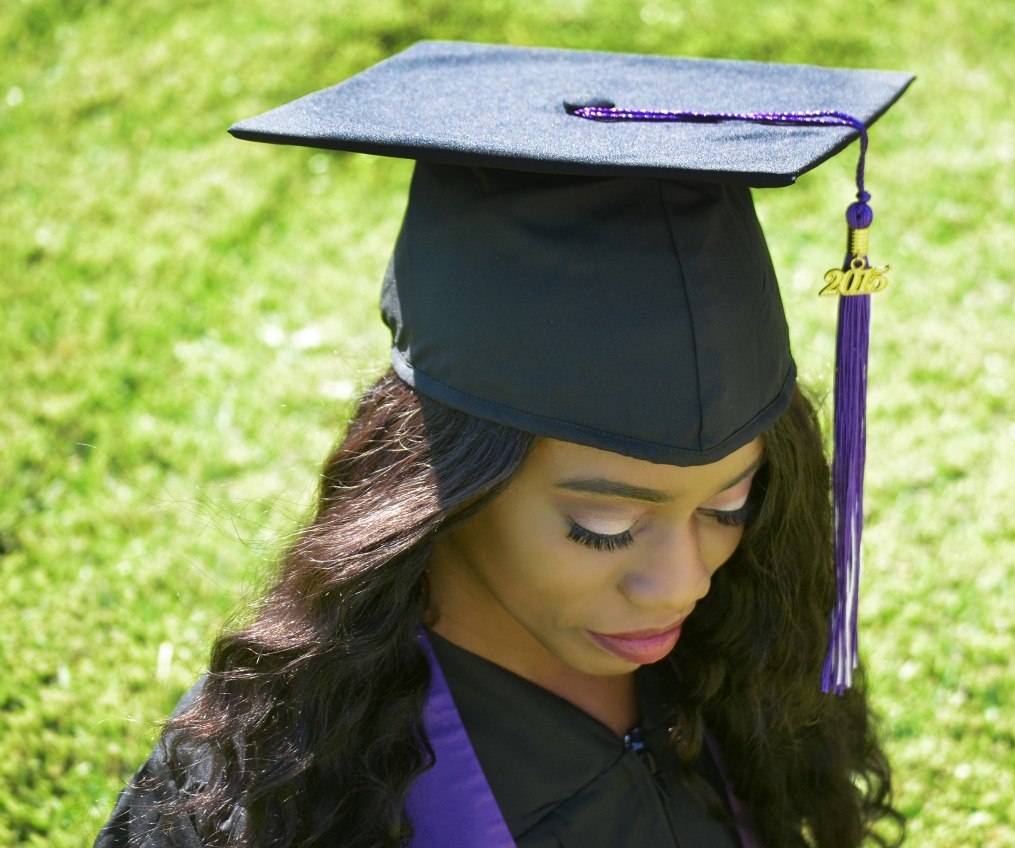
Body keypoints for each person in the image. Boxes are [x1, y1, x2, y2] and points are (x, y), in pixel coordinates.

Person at [95, 42, 913, 847]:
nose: (680, 585)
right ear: (445, 485)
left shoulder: (741, 653)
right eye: (603, 523)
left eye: (730, 505)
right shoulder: (278, 778)